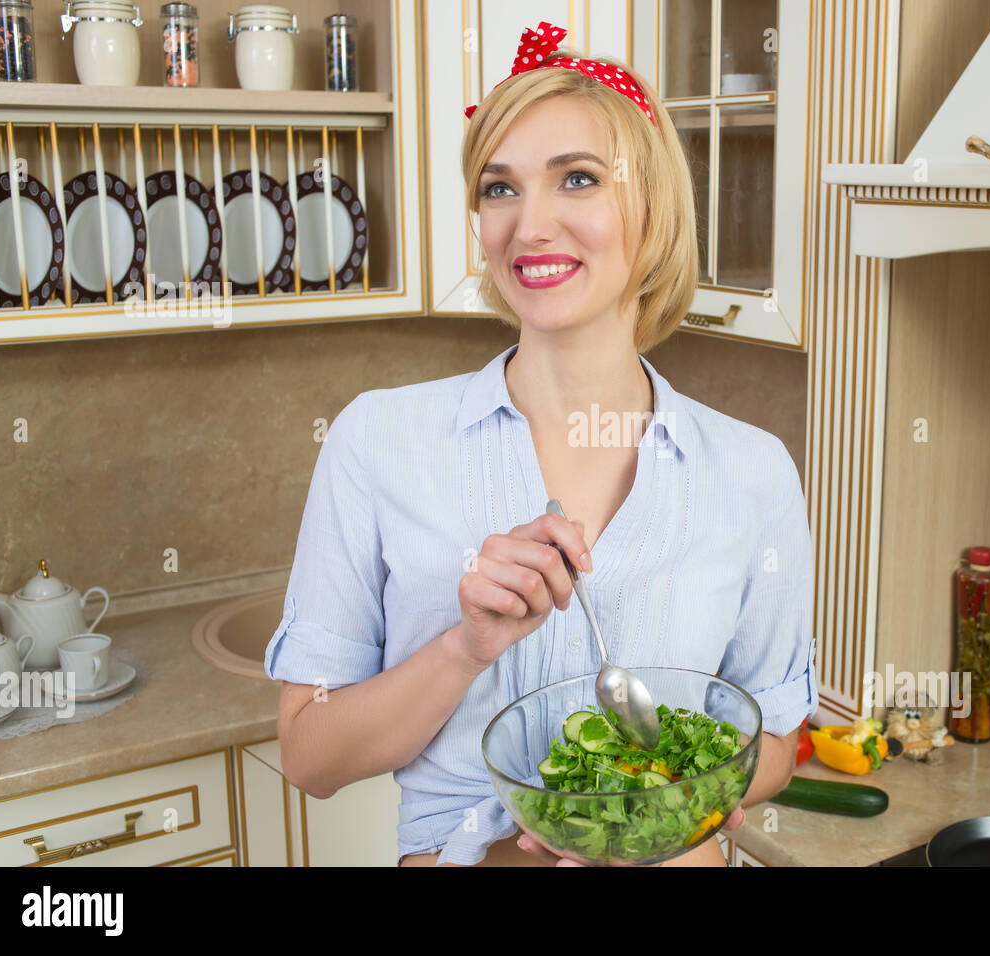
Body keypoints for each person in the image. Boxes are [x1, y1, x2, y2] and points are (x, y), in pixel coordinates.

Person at [264, 21, 816, 867]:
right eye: (500, 188)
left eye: (579, 180)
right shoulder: (377, 440)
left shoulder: (752, 472)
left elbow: (776, 743)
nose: (530, 225)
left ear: (651, 207)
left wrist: (675, 796)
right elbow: (308, 759)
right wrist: (465, 646)